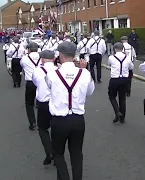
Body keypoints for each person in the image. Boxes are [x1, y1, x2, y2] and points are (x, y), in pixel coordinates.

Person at [45, 41, 95, 180]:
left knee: (58, 153)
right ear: (74, 56)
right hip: (78, 119)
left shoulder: (52, 74)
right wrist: (84, 70)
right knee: (77, 154)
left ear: (60, 55)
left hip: (59, 120)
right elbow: (90, 92)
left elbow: (49, 86)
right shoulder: (84, 74)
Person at [32, 50, 58, 165]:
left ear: (42, 60)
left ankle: (49, 153)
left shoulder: (37, 71)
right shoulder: (59, 70)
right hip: (57, 103)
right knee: (56, 130)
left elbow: (35, 83)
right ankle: (58, 154)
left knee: (43, 129)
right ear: (53, 59)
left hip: (43, 104)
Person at [108, 42, 133, 124]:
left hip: (114, 79)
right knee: (122, 99)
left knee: (112, 96)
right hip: (124, 79)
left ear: (115, 49)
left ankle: (117, 111)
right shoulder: (127, 57)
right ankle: (122, 118)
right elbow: (131, 67)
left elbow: (109, 64)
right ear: (122, 49)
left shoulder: (111, 57)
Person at [20, 42, 42, 130]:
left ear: (28, 49)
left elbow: (22, 65)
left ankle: (32, 122)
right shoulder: (42, 57)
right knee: (42, 103)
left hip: (30, 82)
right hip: (41, 82)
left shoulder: (25, 58)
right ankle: (42, 122)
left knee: (29, 104)